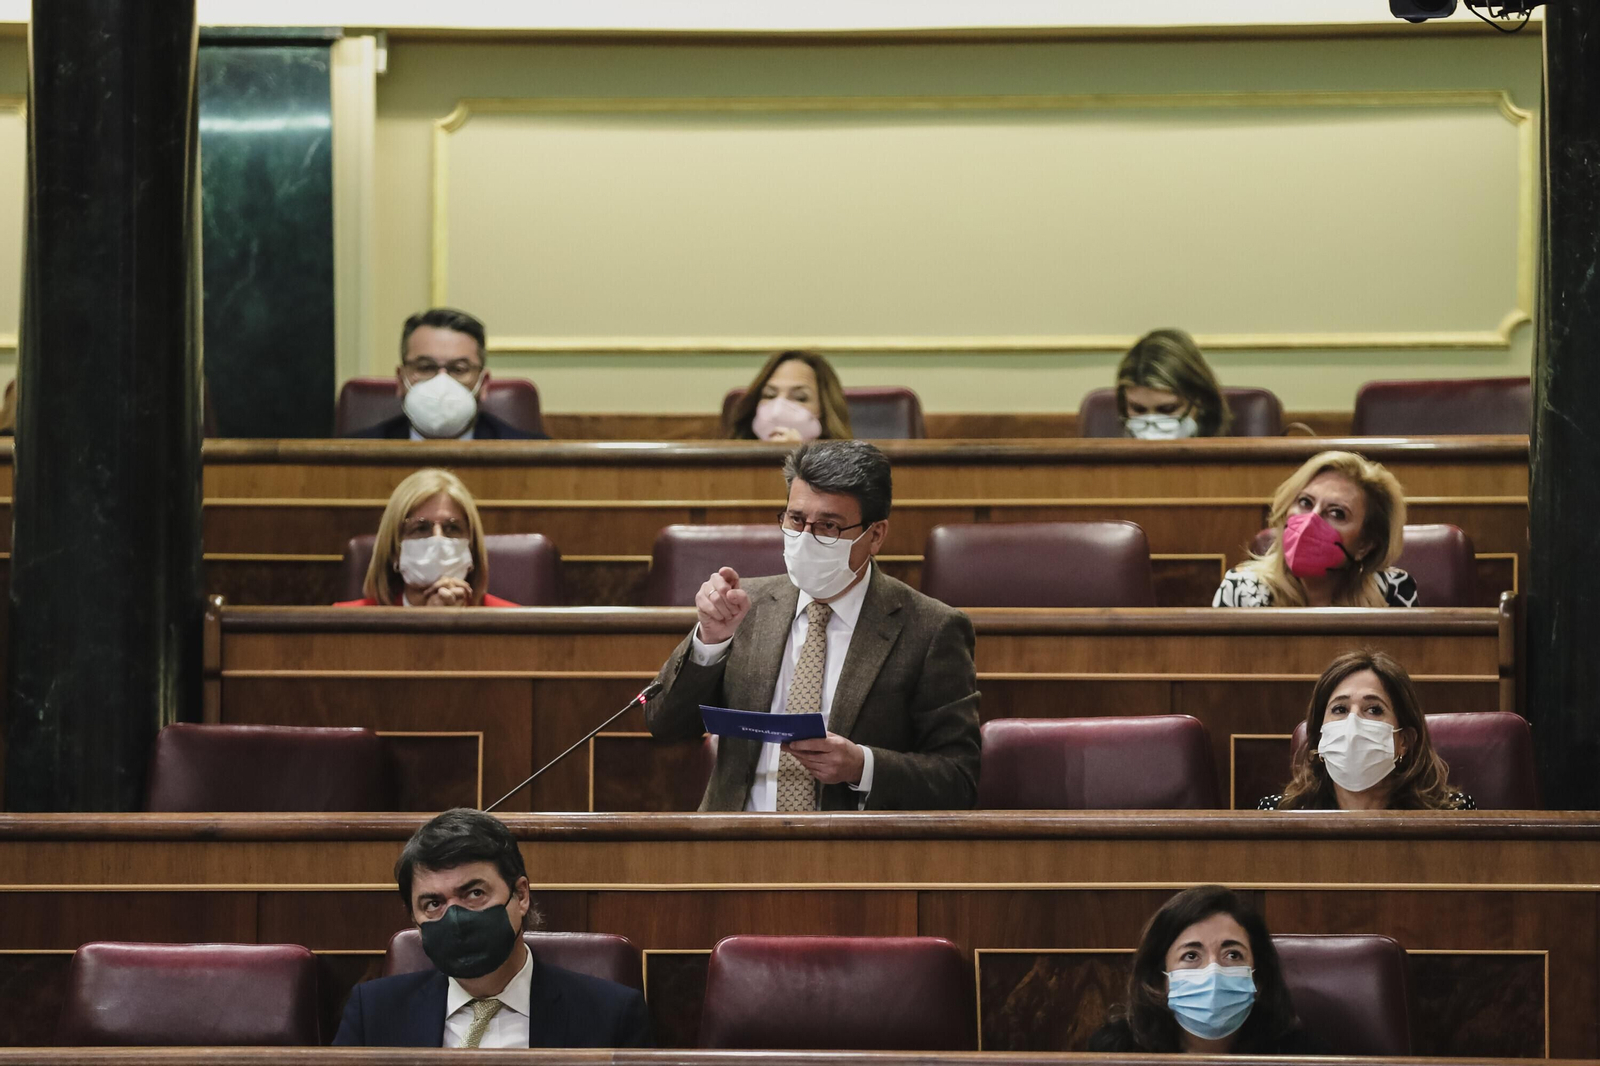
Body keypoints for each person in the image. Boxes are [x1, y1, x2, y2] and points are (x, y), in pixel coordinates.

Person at [644, 439, 980, 810]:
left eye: (828, 526)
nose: (806, 538)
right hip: (734, 847)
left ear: (876, 535)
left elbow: (959, 778)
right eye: (796, 519)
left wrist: (862, 767)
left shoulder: (931, 629)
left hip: (850, 854)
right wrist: (710, 642)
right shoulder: (743, 606)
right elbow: (664, 725)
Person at [333, 808, 651, 1047]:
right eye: (433, 904)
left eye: (474, 894)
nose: (455, 919)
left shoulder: (610, 1015)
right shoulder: (373, 1013)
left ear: (521, 895)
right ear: (414, 919)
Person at [1087, 884, 1318, 1053]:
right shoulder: (1115, 1052)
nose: (1213, 971)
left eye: (1232, 954)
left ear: (1258, 978)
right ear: (1159, 980)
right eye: (1191, 955)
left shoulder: (1299, 1056)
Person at [1258, 649, 1474, 810]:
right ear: (1320, 737)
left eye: (1373, 710)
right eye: (1340, 709)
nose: (1353, 724)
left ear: (1404, 741)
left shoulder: (1454, 816)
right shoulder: (1279, 815)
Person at [1213, 450, 1418, 608]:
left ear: (1364, 545)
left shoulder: (1392, 592)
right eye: (1305, 502)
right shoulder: (1240, 589)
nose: (1311, 520)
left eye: (1337, 513)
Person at [348, 308, 547, 440]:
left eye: (458, 369)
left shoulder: (536, 455)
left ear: (484, 384)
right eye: (426, 368)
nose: (442, 382)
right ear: (401, 380)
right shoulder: (349, 456)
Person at [334, 468, 518, 607]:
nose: (438, 539)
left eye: (452, 528)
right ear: (394, 552)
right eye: (421, 528)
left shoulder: (514, 622)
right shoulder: (345, 622)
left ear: (471, 547)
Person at [1115, 329, 1230, 439]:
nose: (1152, 424)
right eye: (1138, 409)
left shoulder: (1234, 455)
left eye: (1167, 409)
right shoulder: (1109, 455)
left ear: (1200, 401)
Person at [724, 349, 852, 442]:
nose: (778, 409)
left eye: (800, 398)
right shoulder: (727, 469)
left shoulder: (848, 473)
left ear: (825, 411)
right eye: (769, 395)